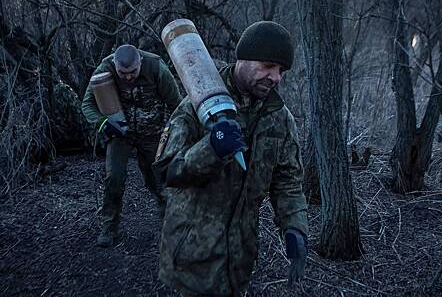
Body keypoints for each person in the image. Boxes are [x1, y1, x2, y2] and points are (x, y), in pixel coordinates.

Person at [153, 21, 309, 296]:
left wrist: (295, 226)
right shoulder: (197, 105)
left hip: (240, 258)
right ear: (243, 58)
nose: (276, 78)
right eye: (268, 66)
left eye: (281, 71)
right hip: (193, 255)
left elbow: (288, 181)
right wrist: (211, 148)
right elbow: (166, 172)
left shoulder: (279, 119)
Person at [82, 44, 182, 247]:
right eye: (122, 73)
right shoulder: (104, 70)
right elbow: (87, 105)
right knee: (114, 178)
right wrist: (103, 123)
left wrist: (174, 133)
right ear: (115, 66)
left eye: (132, 72)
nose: (127, 77)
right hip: (120, 133)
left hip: (152, 133)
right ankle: (109, 226)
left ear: (140, 63)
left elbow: (177, 104)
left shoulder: (156, 67)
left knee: (157, 177)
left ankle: (168, 215)